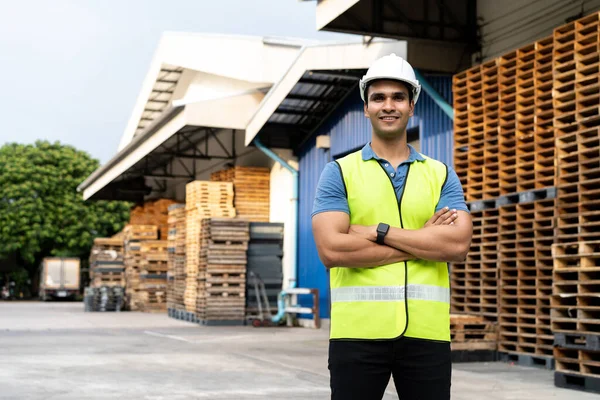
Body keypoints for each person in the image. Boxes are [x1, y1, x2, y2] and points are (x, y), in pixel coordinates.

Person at [311, 54, 473, 400]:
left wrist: (376, 231)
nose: (389, 106)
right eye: (379, 98)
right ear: (366, 107)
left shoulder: (440, 174)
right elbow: (331, 250)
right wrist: (424, 241)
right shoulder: (339, 172)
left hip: (426, 335)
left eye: (398, 97)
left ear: (412, 106)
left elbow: (456, 246)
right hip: (356, 335)